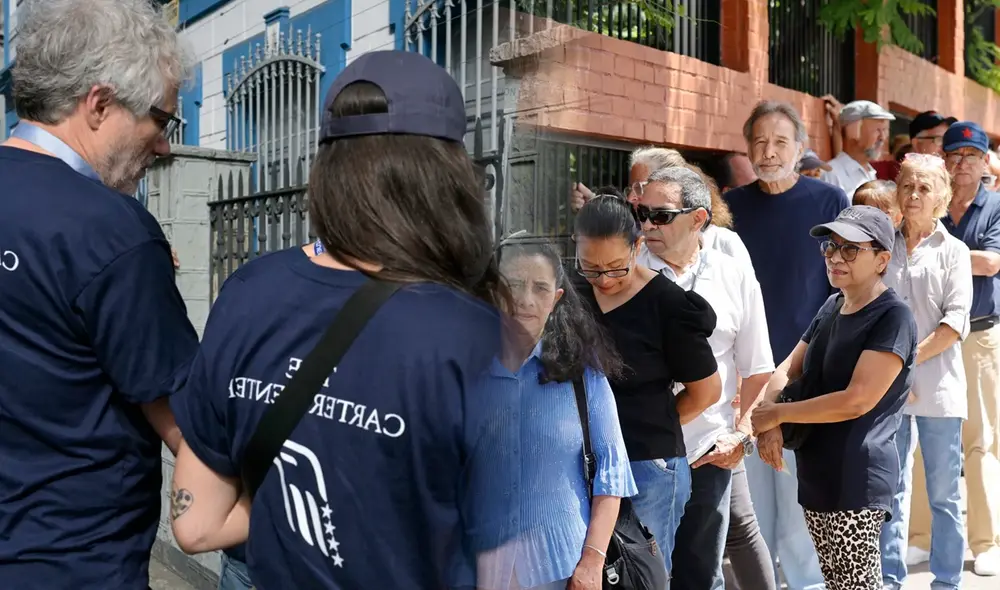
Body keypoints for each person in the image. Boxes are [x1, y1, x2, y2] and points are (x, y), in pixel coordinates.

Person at [169, 51, 510, 589]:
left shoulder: (250, 290)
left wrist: (282, 505)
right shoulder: (477, 335)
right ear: (450, 176)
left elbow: (194, 526)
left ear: (327, 170)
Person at [0, 1, 197, 588]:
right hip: (74, 561)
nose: (163, 146)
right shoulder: (112, 231)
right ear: (100, 103)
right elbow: (189, 424)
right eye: (161, 120)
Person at [752, 205, 918, 590]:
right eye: (831, 246)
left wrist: (778, 415)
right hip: (817, 471)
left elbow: (856, 400)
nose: (835, 257)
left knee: (856, 584)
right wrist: (770, 420)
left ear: (882, 260)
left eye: (850, 249)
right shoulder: (832, 305)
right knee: (836, 582)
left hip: (856, 477)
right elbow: (787, 368)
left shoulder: (893, 317)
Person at [725, 100, 850, 590]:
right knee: (753, 502)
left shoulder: (829, 201)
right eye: (759, 142)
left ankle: (807, 584)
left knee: (800, 495)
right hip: (745, 373)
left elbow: (845, 286)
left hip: (806, 370)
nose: (769, 152)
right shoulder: (731, 208)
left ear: (800, 148)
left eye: (780, 142)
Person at [633, 166, 775, 590]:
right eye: (642, 213)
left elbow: (759, 367)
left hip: (709, 452)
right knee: (640, 575)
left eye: (660, 216)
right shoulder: (624, 272)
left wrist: (741, 437)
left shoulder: (734, 274)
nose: (647, 225)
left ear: (698, 219)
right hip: (639, 452)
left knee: (701, 577)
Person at [467, 241, 635, 590]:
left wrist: (592, 562)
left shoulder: (583, 377)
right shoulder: (460, 372)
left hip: (560, 571)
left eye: (540, 288)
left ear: (556, 298)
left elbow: (612, 476)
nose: (526, 299)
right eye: (514, 285)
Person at [574, 194, 722, 578]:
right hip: (578, 464)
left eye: (616, 268)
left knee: (639, 578)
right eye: (591, 268)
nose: (604, 280)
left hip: (647, 465)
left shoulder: (668, 305)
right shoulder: (570, 292)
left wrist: (651, 420)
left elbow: (707, 392)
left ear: (637, 246)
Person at [879, 153, 971, 590]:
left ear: (941, 197)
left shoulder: (954, 251)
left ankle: (947, 582)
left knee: (944, 496)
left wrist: (904, 362)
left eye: (923, 188)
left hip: (938, 389)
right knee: (890, 492)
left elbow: (954, 323)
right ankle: (889, 580)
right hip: (884, 391)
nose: (913, 195)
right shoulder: (883, 246)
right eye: (907, 186)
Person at [912, 121, 1000, 577]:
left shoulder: (996, 206)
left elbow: (992, 262)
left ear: (985, 162)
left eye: (972, 155)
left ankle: (987, 542)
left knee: (979, 441)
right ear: (943, 161)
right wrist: (957, 256)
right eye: (955, 155)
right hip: (929, 340)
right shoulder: (929, 204)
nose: (963, 163)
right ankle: (920, 537)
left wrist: (941, 252)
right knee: (923, 437)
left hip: (979, 335)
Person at [570, 146, 754, 269]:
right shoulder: (639, 241)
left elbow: (750, 310)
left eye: (640, 187)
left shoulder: (723, 243)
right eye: (630, 188)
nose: (631, 198)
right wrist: (597, 213)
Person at [821, 100, 895, 199]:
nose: (883, 137)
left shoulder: (870, 172)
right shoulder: (831, 174)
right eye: (877, 130)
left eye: (885, 130)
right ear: (853, 131)